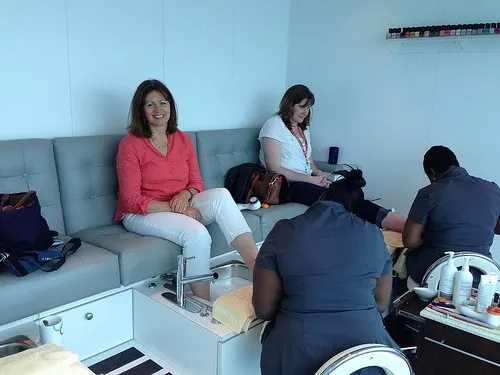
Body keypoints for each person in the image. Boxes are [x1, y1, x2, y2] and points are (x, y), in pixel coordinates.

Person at [115, 79, 259, 300]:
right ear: (141, 111)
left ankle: (260, 273)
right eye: (149, 104)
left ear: (171, 107)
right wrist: (179, 209)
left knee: (221, 195)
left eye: (162, 102)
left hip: (179, 202)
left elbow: (196, 182)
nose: (158, 109)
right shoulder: (130, 144)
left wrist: (184, 195)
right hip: (141, 213)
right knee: (197, 234)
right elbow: (131, 199)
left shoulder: (181, 138)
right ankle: (202, 303)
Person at [253, 168, 399, 375]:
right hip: (368, 356)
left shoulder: (284, 231)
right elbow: (381, 304)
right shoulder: (374, 235)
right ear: (353, 210)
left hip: (298, 352)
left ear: (320, 198)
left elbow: (264, 310)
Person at [259, 84, 406, 232]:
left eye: (309, 107)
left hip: (306, 178)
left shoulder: (303, 128)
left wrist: (318, 173)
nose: (306, 112)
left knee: (352, 191)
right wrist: (311, 179)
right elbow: (274, 168)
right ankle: (388, 224)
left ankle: (390, 222)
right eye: (302, 107)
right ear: (289, 104)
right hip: (286, 185)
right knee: (336, 198)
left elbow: (307, 159)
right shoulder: (274, 126)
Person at [403, 146, 500, 285]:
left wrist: (431, 236)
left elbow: (409, 241)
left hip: (436, 274)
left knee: (403, 261)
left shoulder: (429, 192)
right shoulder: (493, 189)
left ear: (432, 173)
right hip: (480, 274)